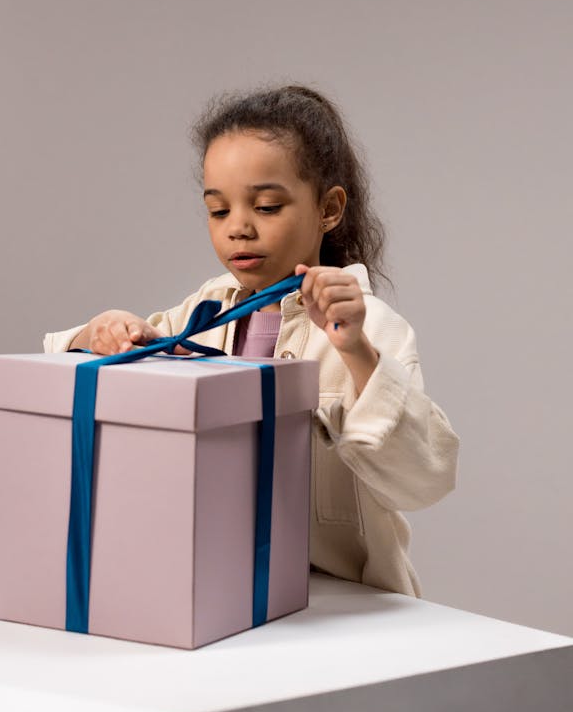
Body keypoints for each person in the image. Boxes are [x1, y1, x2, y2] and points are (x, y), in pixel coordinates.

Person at [44, 84, 459, 597]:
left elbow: (425, 480)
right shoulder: (204, 313)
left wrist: (356, 352)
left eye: (265, 206)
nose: (238, 229)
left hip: (344, 606)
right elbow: (95, 356)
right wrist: (101, 328)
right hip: (225, 591)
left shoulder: (369, 327)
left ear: (328, 209)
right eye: (218, 211)